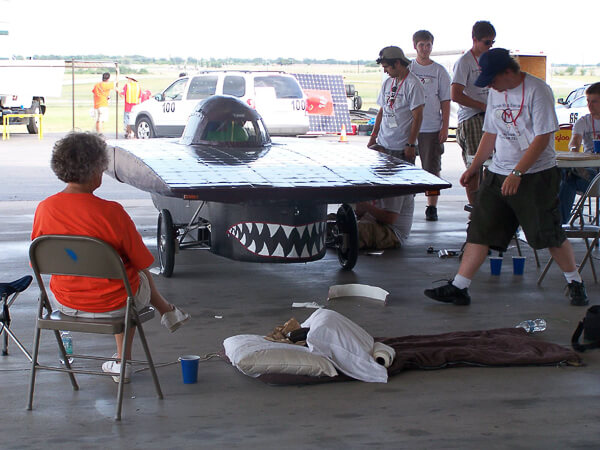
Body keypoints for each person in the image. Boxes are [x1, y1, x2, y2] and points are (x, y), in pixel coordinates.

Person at [424, 48, 588, 307]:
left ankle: (575, 282)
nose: (489, 85)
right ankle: (460, 287)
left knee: (547, 233)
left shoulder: (538, 90)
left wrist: (518, 172)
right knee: (480, 228)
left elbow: (543, 136)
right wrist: (474, 166)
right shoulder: (495, 93)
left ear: (509, 72)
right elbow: (490, 132)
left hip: (535, 175)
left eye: (492, 79)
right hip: (499, 171)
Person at [31, 132, 191, 383]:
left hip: (65, 303)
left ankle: (164, 313)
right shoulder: (112, 212)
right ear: (96, 171)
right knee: (133, 273)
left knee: (125, 273)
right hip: (114, 305)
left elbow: (37, 261)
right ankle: (126, 357)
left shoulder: (45, 209)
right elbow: (143, 261)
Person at [362, 46, 424, 249]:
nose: (385, 70)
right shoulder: (388, 82)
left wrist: (410, 143)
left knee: (398, 190)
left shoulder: (413, 84)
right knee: (380, 186)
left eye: (387, 66)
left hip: (401, 147)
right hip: (384, 142)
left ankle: (395, 227)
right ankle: (376, 221)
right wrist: (374, 135)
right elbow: (381, 110)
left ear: (398, 63)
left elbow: (417, 116)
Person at [452, 20, 496, 205]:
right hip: (472, 118)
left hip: (491, 118)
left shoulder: (489, 60)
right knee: (475, 166)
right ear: (475, 40)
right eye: (487, 42)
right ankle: (475, 212)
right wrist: (481, 105)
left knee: (492, 165)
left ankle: (487, 209)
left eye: (492, 43)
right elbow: (455, 94)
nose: (490, 46)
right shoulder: (465, 62)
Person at [409, 30, 451, 221]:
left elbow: (445, 100)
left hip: (431, 126)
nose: (425, 49)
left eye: (428, 45)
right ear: (415, 47)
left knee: (432, 168)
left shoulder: (439, 71)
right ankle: (405, 203)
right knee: (405, 166)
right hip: (410, 127)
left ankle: (431, 206)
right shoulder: (409, 68)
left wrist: (445, 127)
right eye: (421, 45)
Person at [558, 82, 600, 223]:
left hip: (594, 175)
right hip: (590, 173)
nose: (589, 105)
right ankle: (560, 227)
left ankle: (560, 227)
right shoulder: (583, 121)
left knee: (568, 179)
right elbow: (575, 141)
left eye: (594, 101)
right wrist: (574, 150)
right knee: (568, 178)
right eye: (588, 101)